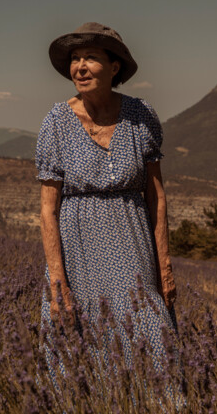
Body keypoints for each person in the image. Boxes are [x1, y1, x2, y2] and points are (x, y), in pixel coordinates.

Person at [35, 22, 179, 386]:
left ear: (114, 68)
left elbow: (156, 196)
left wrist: (164, 265)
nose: (79, 67)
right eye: (75, 59)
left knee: (151, 339)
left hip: (135, 254)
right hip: (78, 255)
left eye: (90, 58)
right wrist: (57, 283)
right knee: (80, 350)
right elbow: (48, 211)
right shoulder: (55, 123)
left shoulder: (140, 116)